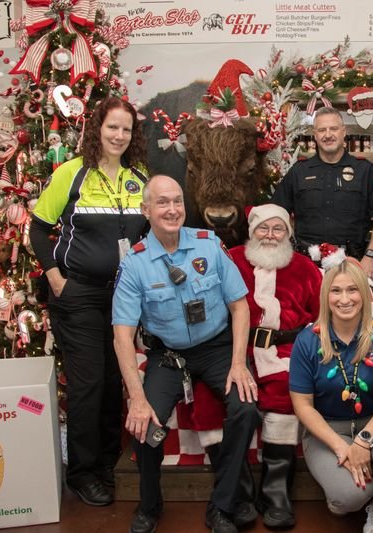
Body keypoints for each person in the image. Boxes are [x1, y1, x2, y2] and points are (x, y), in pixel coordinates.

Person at [111, 174, 260, 533]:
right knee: (146, 424)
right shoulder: (135, 263)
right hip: (169, 355)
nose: (173, 209)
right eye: (162, 202)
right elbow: (122, 335)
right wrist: (136, 398)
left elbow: (240, 307)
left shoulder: (209, 245)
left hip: (217, 348)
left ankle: (222, 505)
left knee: (245, 408)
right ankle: (149, 505)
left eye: (177, 201)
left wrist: (239, 363)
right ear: (146, 209)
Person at [30, 96, 149, 507]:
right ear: (97, 129)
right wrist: (55, 278)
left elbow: (147, 235)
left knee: (116, 382)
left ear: (134, 136)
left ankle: (106, 465)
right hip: (76, 294)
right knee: (89, 384)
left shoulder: (139, 177)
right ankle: (81, 473)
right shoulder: (71, 174)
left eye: (126, 129)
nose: (119, 135)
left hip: (123, 298)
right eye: (112, 127)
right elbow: (37, 228)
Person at [289, 258, 373, 533]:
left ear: (364, 294)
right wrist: (341, 447)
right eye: (336, 291)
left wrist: (363, 442)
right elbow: (303, 405)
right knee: (350, 497)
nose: (344, 299)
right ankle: (345, 497)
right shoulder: (307, 340)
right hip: (327, 431)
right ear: (326, 296)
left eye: (352, 290)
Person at [229, 203, 322, 528]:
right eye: (263, 228)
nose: (270, 235)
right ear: (252, 231)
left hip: (287, 348)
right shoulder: (232, 260)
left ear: (288, 233)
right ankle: (237, 492)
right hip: (238, 347)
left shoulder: (305, 268)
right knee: (223, 399)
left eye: (277, 228)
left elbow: (321, 316)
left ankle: (275, 492)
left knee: (285, 392)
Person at [271, 107, 373, 277]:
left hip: (352, 262)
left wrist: (370, 255)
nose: (328, 135)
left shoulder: (364, 170)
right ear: (315, 135)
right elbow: (277, 212)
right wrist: (288, 245)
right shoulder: (299, 171)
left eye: (333, 129)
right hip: (306, 264)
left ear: (343, 132)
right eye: (322, 130)